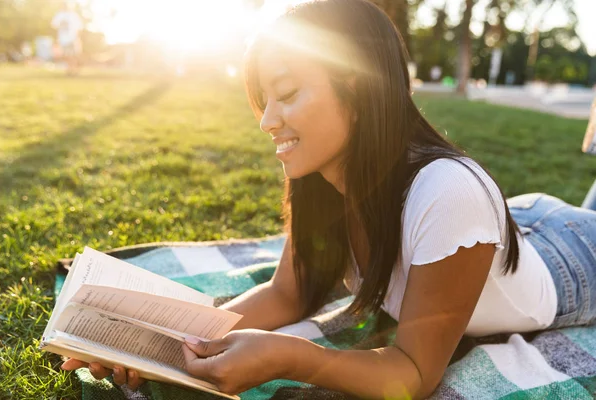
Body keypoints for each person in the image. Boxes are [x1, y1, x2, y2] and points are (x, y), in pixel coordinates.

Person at [61, 0, 596, 398]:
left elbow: (413, 373)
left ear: (360, 90)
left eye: (288, 94)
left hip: (573, 258)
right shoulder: (323, 177)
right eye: (264, 100)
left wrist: (295, 358)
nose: (268, 120)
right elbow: (288, 295)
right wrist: (154, 339)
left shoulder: (448, 189)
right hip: (514, 226)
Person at [51, 1, 83, 75]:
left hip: (72, 38)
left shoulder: (74, 15)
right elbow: (53, 25)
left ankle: (74, 69)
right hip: (63, 39)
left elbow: (79, 28)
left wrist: (77, 38)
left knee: (73, 55)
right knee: (66, 55)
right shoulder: (59, 14)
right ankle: (69, 69)